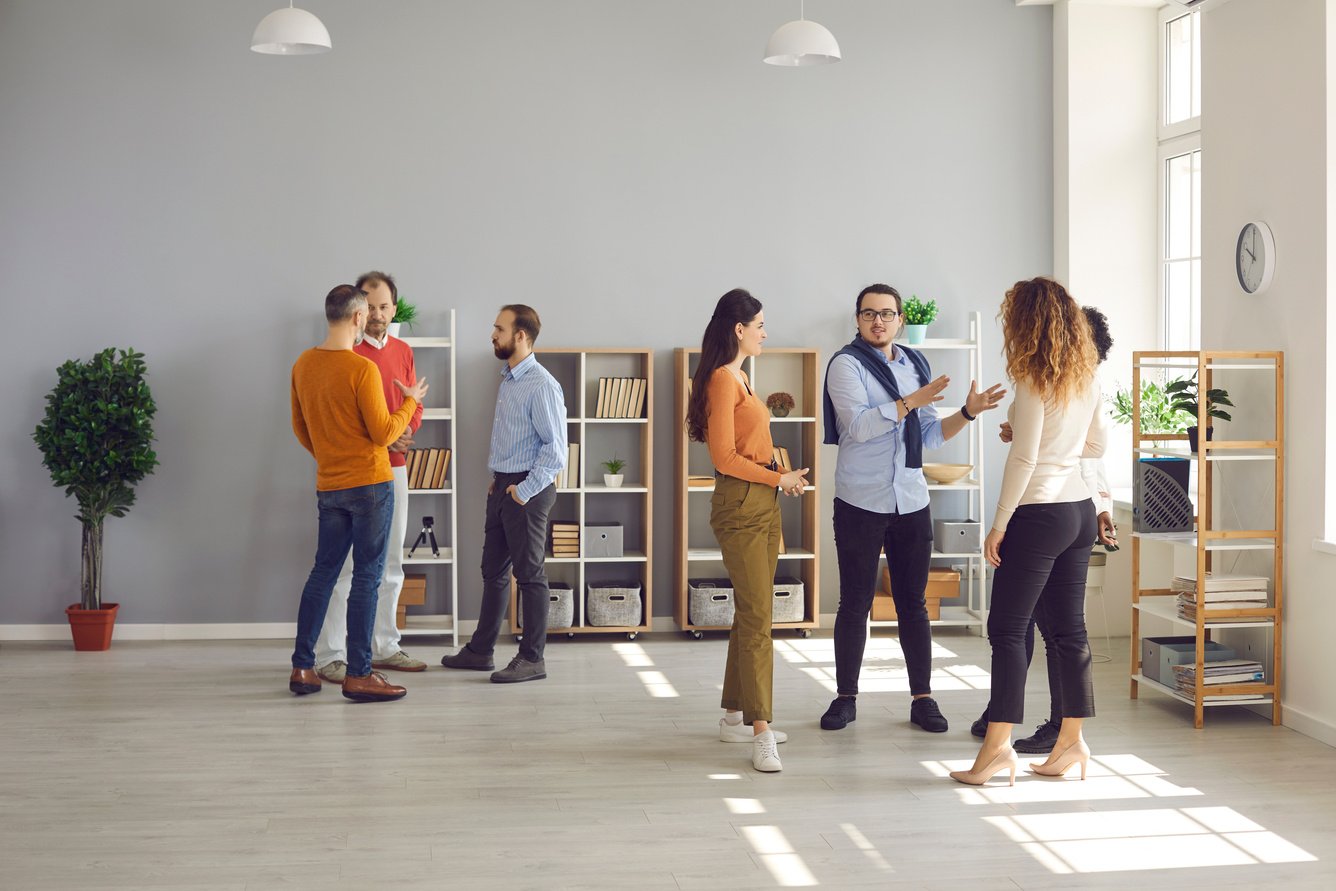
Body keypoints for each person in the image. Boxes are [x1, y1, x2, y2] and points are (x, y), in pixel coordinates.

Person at [820, 283, 1005, 735]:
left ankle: (922, 698)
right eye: (868, 314)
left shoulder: (915, 363)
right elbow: (858, 427)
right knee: (854, 603)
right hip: (860, 501)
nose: (877, 321)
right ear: (858, 320)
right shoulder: (846, 364)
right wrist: (910, 402)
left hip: (911, 500)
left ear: (900, 319)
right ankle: (846, 697)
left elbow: (931, 435)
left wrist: (968, 411)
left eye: (886, 314)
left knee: (914, 605)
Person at [951, 277, 1107, 786]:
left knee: (1007, 629)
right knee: (1069, 631)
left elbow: (1024, 458)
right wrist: (1042, 440)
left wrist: (998, 525)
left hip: (1038, 515)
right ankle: (1072, 743)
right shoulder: (1085, 378)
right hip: (1078, 512)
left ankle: (996, 749)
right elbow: (1094, 446)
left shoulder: (1035, 379)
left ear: (1027, 323)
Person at [685, 289, 809, 773]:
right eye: (759, 324)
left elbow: (751, 449)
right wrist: (777, 476)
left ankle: (734, 715)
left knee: (750, 611)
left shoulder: (741, 377)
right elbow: (723, 458)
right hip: (741, 505)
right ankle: (761, 733)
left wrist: (782, 479)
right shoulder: (722, 379)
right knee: (759, 617)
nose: (764, 332)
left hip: (764, 500)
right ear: (738, 329)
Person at [289, 284, 428, 702]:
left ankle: (302, 667)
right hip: (370, 484)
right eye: (366, 312)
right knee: (368, 576)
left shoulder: (303, 365)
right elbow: (385, 432)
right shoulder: (360, 368)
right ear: (356, 318)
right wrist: (410, 401)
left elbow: (301, 429)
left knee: (324, 572)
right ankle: (360, 674)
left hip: (329, 484)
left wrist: (331, 457)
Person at [441, 305, 566, 683]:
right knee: (492, 572)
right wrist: (500, 480)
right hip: (504, 485)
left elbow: (556, 450)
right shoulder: (509, 379)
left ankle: (532, 660)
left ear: (521, 336)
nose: (493, 334)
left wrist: (523, 491)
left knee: (529, 575)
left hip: (526, 489)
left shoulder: (541, 384)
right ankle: (481, 651)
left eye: (499, 328)